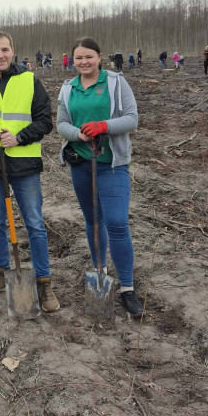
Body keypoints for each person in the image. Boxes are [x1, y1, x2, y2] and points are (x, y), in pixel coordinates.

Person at [0, 29, 60, 313]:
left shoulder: (30, 80)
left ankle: (44, 282)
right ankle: (1, 273)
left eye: (4, 49)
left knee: (33, 223)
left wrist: (19, 137)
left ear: (12, 50)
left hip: (25, 164)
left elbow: (45, 121)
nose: (0, 55)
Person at [57, 37, 142, 317]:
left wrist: (103, 126)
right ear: (73, 60)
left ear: (100, 57)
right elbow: (61, 124)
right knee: (93, 220)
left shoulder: (116, 82)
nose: (84, 62)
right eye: (79, 58)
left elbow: (131, 119)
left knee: (116, 222)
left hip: (111, 164)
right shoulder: (68, 88)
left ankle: (127, 288)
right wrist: (77, 134)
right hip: (81, 163)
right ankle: (99, 270)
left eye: (89, 57)